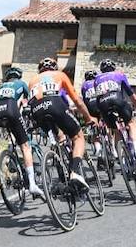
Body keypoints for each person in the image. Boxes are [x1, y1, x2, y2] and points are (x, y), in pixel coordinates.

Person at [26, 57, 99, 190]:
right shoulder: (60, 75)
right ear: (54, 67)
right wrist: (88, 118)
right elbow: (77, 100)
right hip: (54, 105)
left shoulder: (32, 81)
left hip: (37, 111)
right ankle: (75, 173)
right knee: (78, 137)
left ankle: (61, 166)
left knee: (60, 137)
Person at [0, 66, 44, 199]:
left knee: (13, 138)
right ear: (18, 76)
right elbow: (31, 100)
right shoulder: (20, 83)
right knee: (25, 146)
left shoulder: (1, 87)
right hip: (11, 109)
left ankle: (11, 157)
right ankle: (32, 183)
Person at [83, 59, 136, 171]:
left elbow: (96, 98)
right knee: (131, 123)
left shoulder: (96, 79)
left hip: (102, 105)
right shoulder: (119, 75)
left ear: (102, 70)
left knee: (116, 131)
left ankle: (122, 161)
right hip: (118, 101)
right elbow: (133, 97)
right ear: (113, 68)